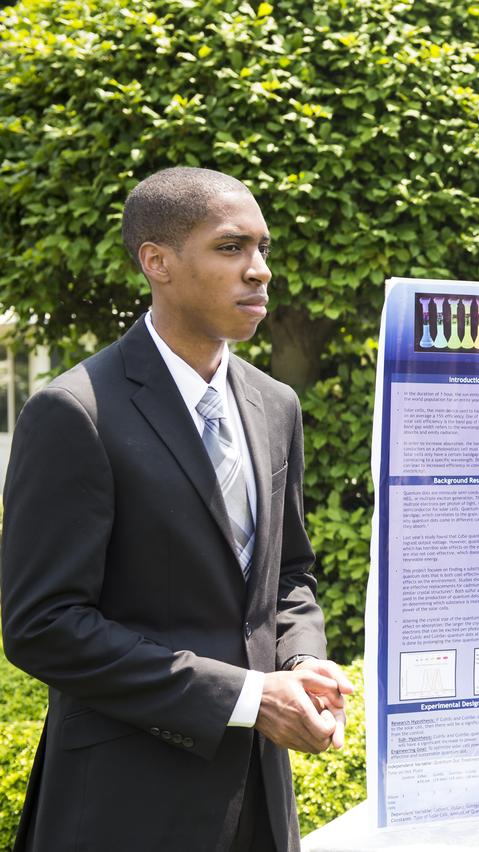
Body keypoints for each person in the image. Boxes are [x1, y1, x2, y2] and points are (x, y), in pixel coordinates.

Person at [0, 166, 354, 852]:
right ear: (156, 261)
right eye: (231, 248)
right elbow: (43, 625)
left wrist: (302, 660)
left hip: (261, 802)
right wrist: (248, 698)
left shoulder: (275, 405)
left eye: (263, 249)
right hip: (126, 806)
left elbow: (287, 577)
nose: (259, 271)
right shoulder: (75, 412)